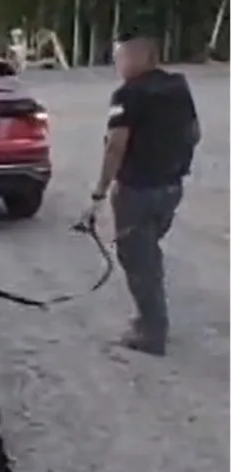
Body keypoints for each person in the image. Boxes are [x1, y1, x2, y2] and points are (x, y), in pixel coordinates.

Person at [79, 36, 200, 357]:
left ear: (138, 59)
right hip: (171, 187)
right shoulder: (178, 87)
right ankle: (151, 317)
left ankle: (151, 332)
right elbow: (194, 132)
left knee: (138, 259)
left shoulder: (127, 94)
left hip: (136, 189)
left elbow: (115, 146)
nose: (117, 66)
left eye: (119, 59)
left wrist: (99, 192)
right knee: (148, 252)